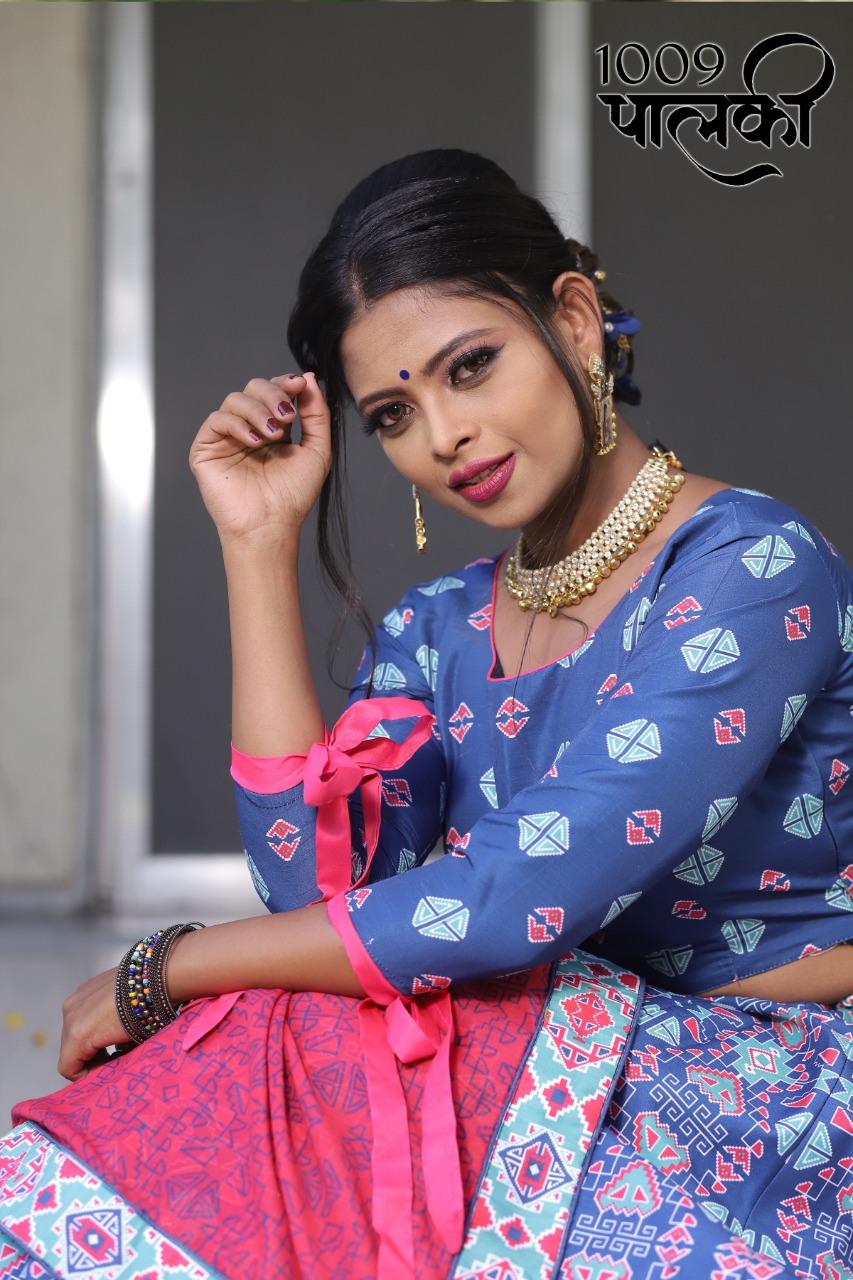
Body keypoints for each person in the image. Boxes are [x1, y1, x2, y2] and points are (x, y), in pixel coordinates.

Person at [1, 150, 852, 1280]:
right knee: (286, 1041)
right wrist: (257, 539)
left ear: (575, 323)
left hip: (765, 1093)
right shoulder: (439, 624)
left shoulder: (751, 569)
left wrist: (174, 964)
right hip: (544, 1056)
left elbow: (508, 897)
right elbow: (322, 903)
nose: (443, 435)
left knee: (282, 1042)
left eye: (472, 366)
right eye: (396, 413)